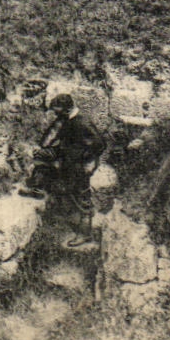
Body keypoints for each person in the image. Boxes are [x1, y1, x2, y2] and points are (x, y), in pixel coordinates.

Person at [24, 93, 108, 245]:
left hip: (80, 164)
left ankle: (85, 233)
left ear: (67, 110)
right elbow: (53, 133)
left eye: (57, 111)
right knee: (41, 160)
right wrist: (42, 148)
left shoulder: (82, 122)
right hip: (68, 157)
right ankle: (38, 189)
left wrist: (87, 160)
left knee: (81, 195)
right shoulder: (66, 119)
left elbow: (100, 144)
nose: (56, 114)